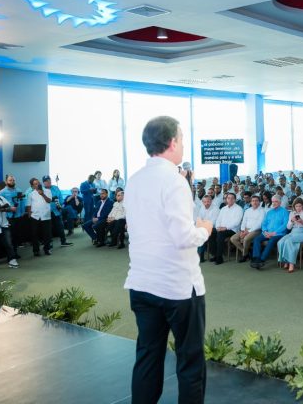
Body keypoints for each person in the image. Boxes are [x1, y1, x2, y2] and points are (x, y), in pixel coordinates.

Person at [124, 115, 214, 404]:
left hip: (141, 282)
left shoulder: (134, 180)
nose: (183, 144)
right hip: (177, 288)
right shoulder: (174, 181)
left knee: (148, 358)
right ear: (173, 142)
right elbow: (183, 237)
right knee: (190, 362)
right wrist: (204, 230)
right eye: (183, 139)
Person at [250, 195, 288, 269]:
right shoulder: (269, 212)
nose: (274, 203)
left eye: (276, 201)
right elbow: (264, 223)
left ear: (280, 202)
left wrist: (274, 233)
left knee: (272, 240)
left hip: (279, 234)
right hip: (267, 233)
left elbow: (285, 225)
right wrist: (265, 231)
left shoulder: (285, 212)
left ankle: (262, 259)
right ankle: (256, 258)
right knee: (256, 239)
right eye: (273, 201)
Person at [278, 198, 303, 272]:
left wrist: (302, 222)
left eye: (300, 206)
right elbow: (288, 227)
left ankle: (291, 264)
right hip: (293, 232)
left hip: (302, 233)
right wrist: (291, 221)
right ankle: (285, 260)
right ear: (294, 207)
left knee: (288, 241)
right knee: (280, 242)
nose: (298, 208)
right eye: (296, 206)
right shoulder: (292, 213)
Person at [210, 192, 243, 265]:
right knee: (210, 233)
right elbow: (218, 219)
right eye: (228, 198)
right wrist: (218, 227)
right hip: (221, 229)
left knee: (220, 235)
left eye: (232, 198)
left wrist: (225, 228)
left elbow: (236, 222)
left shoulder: (239, 209)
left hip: (232, 230)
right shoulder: (223, 209)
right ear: (226, 199)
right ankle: (215, 254)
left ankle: (219, 257)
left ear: (235, 199)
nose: (230, 199)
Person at [230, 195, 264, 263]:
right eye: (253, 201)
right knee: (233, 239)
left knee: (246, 239)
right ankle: (246, 252)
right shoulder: (247, 210)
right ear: (250, 202)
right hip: (245, 229)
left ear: (259, 202)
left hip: (256, 230)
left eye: (256, 201)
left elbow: (259, 224)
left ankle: (244, 255)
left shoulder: (262, 211)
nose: (254, 202)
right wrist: (242, 230)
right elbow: (244, 221)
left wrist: (248, 232)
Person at [26, 177, 53, 256]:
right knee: (34, 234)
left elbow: (49, 201)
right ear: (32, 186)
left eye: (38, 183)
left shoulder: (47, 191)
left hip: (46, 216)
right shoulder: (31, 194)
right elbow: (29, 205)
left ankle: (47, 249)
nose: (38, 185)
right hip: (35, 216)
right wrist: (29, 215)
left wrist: (42, 194)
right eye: (35, 184)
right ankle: (36, 250)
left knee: (47, 234)